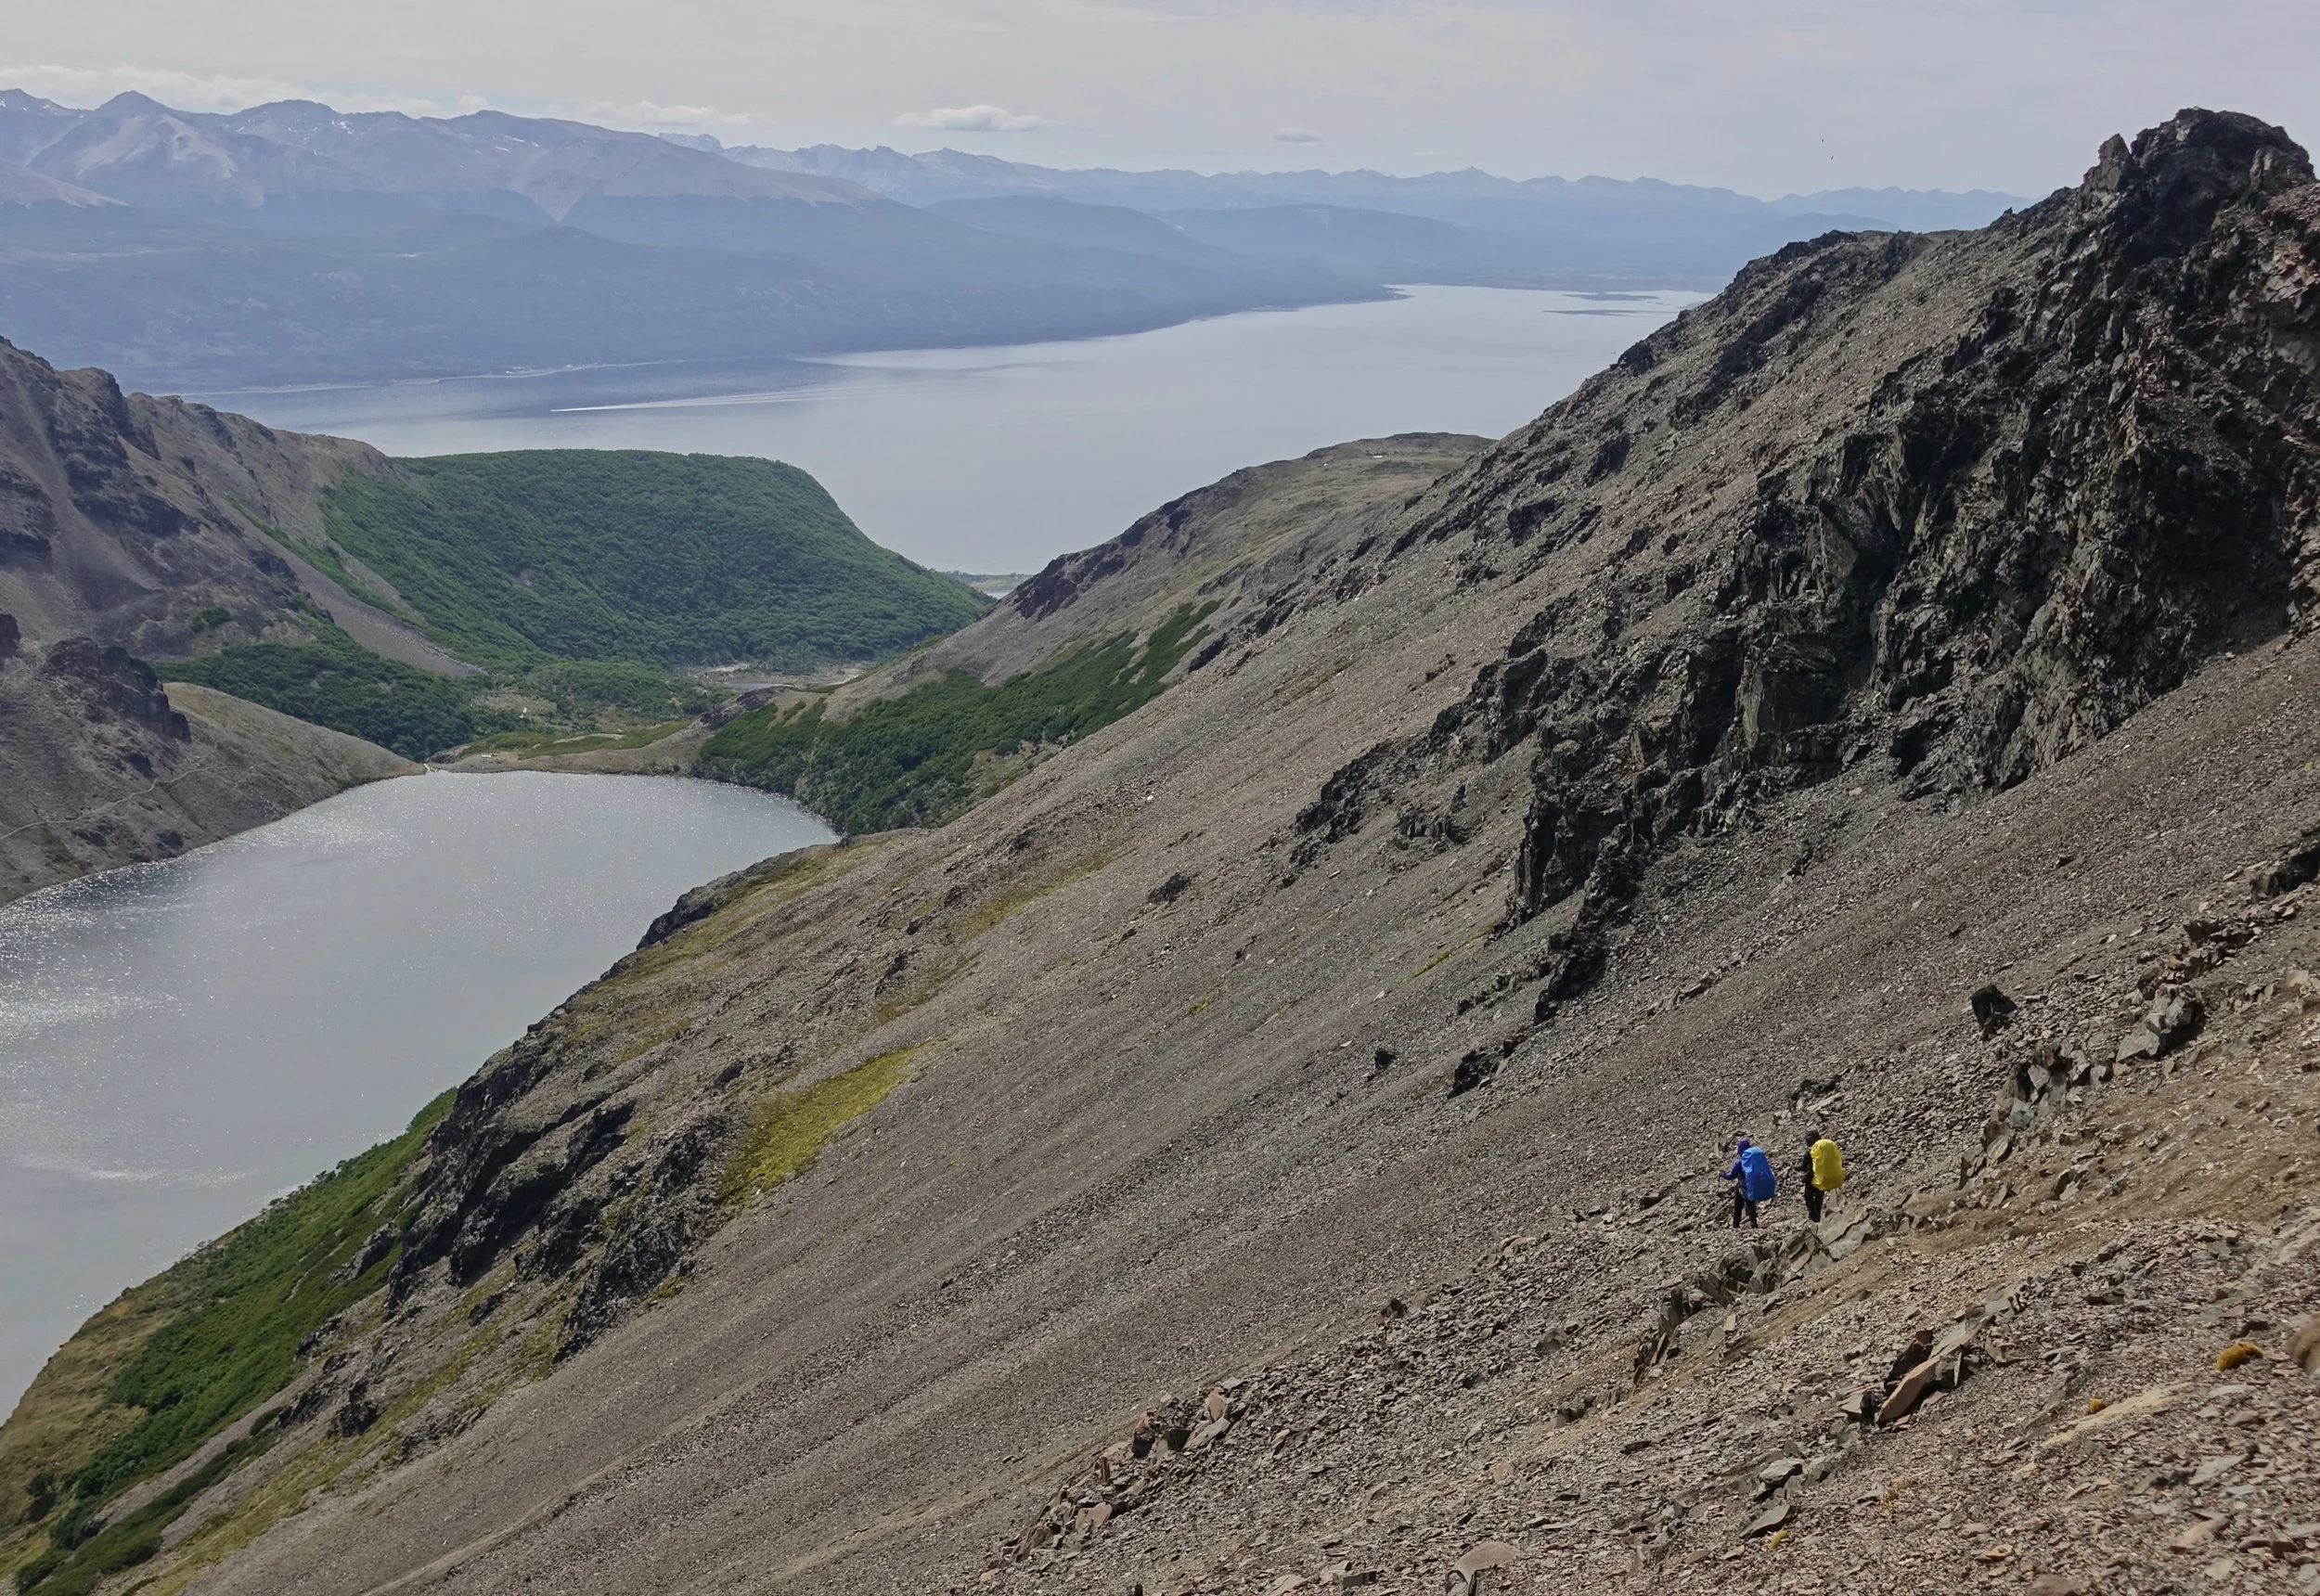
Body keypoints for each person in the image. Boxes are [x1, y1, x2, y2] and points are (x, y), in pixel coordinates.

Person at [1721, 1136, 1776, 1228]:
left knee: (1738, 1204)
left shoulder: (1740, 1162)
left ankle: (1736, 1224)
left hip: (1743, 1184)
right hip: (1754, 1183)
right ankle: (1753, 1223)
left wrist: (1723, 1175)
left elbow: (1731, 1176)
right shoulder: (1754, 1158)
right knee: (1750, 1203)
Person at [1801, 1129, 1847, 1223]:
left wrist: (1796, 1168)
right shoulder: (1827, 1147)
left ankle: (1814, 1216)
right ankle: (1817, 1214)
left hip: (1813, 1178)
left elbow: (1803, 1166)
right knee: (1819, 1196)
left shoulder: (1810, 1152)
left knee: (1808, 1196)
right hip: (1825, 1178)